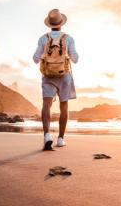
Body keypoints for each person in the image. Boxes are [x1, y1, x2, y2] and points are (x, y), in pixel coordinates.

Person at [33, 9, 79, 150]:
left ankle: (47, 135)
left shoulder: (43, 38)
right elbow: (75, 59)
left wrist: (47, 56)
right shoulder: (68, 38)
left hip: (48, 75)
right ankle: (60, 139)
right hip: (64, 75)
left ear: (50, 24)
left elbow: (35, 59)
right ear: (61, 23)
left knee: (46, 105)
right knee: (63, 106)